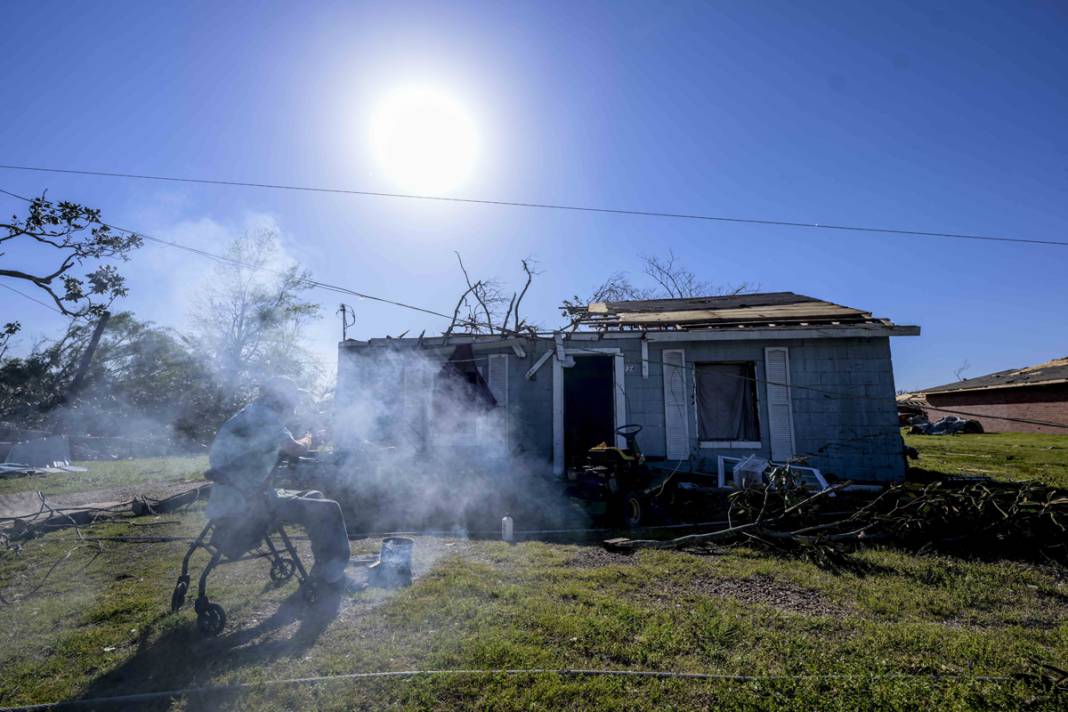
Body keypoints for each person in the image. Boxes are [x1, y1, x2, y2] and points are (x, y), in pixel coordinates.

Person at [206, 376, 351, 586]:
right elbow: (295, 448)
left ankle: (324, 569)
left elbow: (264, 450)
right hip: (248, 504)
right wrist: (310, 438)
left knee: (315, 496)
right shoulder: (266, 417)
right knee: (329, 508)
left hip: (234, 498)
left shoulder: (250, 413)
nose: (295, 404)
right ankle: (333, 578)